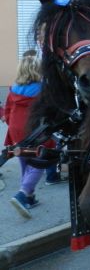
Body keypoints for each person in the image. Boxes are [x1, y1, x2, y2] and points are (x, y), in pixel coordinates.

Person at [3, 51, 45, 218]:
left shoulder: (13, 89)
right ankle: (23, 193)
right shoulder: (42, 89)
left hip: (15, 129)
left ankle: (29, 197)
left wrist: (11, 123)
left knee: (24, 160)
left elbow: (7, 110)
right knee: (39, 162)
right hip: (34, 130)